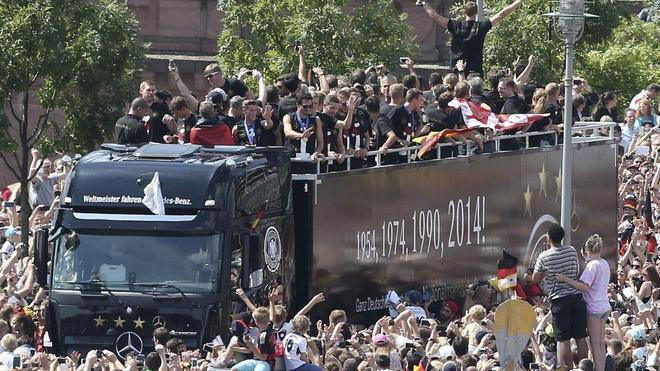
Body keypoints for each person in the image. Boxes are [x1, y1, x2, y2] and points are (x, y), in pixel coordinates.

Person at [530, 223, 588, 370]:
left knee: (563, 339)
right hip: (576, 297)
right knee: (581, 337)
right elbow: (576, 273)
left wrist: (543, 274)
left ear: (548, 238)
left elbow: (535, 280)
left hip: (559, 300)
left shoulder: (544, 256)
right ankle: (584, 367)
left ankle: (567, 368)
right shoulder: (572, 251)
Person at [419, 0, 525, 77]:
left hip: (457, 69)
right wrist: (518, 2)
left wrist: (424, 3)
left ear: (464, 12)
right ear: (477, 13)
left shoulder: (455, 25)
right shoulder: (481, 27)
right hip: (475, 72)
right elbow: (501, 15)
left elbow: (435, 16)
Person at [556, 234, 611, 371]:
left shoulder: (592, 265)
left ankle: (599, 369)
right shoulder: (603, 263)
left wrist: (565, 279)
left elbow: (585, 286)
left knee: (595, 344)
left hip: (594, 308)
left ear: (588, 249)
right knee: (599, 344)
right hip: (604, 305)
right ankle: (601, 368)